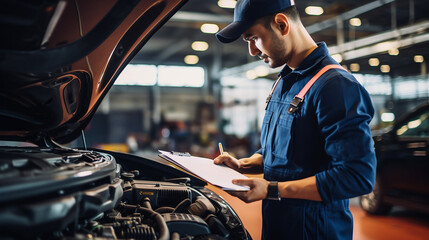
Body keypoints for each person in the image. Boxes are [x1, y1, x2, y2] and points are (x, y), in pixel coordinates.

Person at [213, 0, 377, 239]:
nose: (252, 51)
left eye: (253, 38)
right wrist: (247, 163)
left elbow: (357, 176)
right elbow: (291, 150)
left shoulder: (335, 86)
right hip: (278, 227)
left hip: (316, 231)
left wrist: (271, 189)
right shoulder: (283, 81)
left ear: (281, 24)